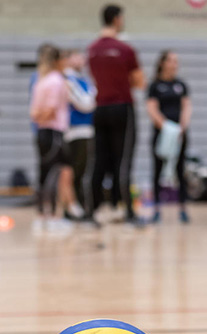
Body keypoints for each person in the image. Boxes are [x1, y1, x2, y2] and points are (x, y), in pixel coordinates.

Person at [87, 4, 145, 225]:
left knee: (99, 161)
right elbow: (139, 82)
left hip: (100, 108)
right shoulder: (125, 49)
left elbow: (96, 78)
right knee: (124, 160)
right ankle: (128, 212)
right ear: (118, 19)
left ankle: (90, 212)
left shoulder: (92, 49)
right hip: (122, 108)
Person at [30, 45, 79, 233]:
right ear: (58, 61)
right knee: (53, 173)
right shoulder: (56, 81)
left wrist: (40, 118)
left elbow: (34, 112)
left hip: (44, 132)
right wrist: (45, 118)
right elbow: (47, 110)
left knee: (50, 171)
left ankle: (46, 213)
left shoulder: (40, 80)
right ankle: (49, 216)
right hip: (53, 132)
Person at [146, 50, 192, 224]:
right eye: (171, 60)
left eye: (176, 61)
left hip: (179, 135)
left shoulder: (181, 85)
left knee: (180, 171)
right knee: (157, 170)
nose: (174, 64)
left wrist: (181, 127)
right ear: (163, 63)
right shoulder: (155, 86)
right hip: (161, 134)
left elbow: (187, 106)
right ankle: (156, 209)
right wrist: (166, 127)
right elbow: (151, 108)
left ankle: (182, 208)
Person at [62, 49, 96, 219]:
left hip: (86, 131)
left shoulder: (84, 80)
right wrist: (91, 100)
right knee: (74, 173)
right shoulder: (67, 79)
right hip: (74, 132)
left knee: (83, 172)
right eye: (77, 56)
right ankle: (75, 208)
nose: (82, 59)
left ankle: (82, 207)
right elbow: (87, 104)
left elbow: (93, 98)